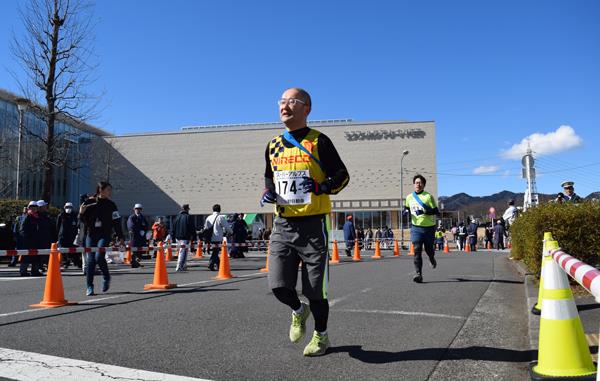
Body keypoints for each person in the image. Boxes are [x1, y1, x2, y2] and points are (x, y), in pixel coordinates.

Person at [260, 87, 350, 356]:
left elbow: (342, 175)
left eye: (291, 101)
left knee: (315, 291)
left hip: (314, 227)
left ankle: (321, 336)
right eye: (281, 101)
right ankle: (299, 311)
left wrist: (321, 187)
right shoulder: (273, 145)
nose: (284, 106)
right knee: (277, 286)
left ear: (306, 108)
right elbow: (269, 175)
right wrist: (267, 190)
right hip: (283, 225)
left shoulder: (319, 141)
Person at [79, 182, 125, 296]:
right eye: (108, 189)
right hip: (91, 234)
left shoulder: (111, 205)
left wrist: (121, 237)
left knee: (99, 256)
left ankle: (106, 277)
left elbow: (117, 222)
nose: (110, 192)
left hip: (104, 234)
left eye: (110, 189)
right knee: (91, 261)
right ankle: (89, 286)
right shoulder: (90, 202)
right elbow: (82, 220)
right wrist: (81, 213)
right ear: (101, 190)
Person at [405, 174, 439, 282]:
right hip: (416, 228)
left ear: (423, 185)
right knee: (417, 250)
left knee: (429, 250)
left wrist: (424, 211)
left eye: (420, 183)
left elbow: (436, 211)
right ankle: (418, 274)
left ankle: (432, 258)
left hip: (429, 228)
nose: (418, 185)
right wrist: (405, 211)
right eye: (416, 183)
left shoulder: (428, 197)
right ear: (414, 184)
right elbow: (407, 208)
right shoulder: (409, 197)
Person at [204, 204, 231, 271]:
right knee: (215, 251)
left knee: (215, 250)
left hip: (210, 237)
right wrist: (231, 232)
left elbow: (205, 228)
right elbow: (227, 227)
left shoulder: (208, 217)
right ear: (219, 209)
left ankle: (219, 265)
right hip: (217, 237)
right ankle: (211, 264)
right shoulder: (220, 217)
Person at [19, 201, 42, 276]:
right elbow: (22, 230)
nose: (33, 208)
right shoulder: (26, 216)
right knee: (26, 256)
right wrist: (25, 239)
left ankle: (35, 270)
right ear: (29, 208)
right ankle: (23, 271)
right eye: (31, 207)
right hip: (28, 241)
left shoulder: (37, 217)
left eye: (35, 207)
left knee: (36, 256)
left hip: (36, 240)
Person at [172, 204, 196, 272]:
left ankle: (183, 265)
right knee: (183, 252)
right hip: (185, 237)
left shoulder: (177, 217)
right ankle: (179, 266)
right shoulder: (188, 217)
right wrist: (194, 237)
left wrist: (173, 237)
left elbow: (173, 228)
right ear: (187, 209)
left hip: (177, 237)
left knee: (181, 251)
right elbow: (192, 228)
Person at [56, 202, 81, 268]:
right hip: (63, 236)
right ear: (64, 207)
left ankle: (77, 262)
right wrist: (58, 236)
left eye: (70, 207)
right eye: (67, 207)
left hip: (72, 236)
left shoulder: (75, 216)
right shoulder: (61, 215)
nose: (68, 209)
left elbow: (77, 225)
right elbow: (58, 226)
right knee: (63, 251)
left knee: (74, 250)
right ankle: (65, 262)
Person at [127, 203, 148, 268]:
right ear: (134, 209)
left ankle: (137, 262)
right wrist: (139, 231)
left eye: (139, 209)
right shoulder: (132, 217)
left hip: (141, 237)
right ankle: (134, 263)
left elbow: (146, 225)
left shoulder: (143, 217)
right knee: (134, 250)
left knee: (140, 251)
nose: (138, 210)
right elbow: (131, 226)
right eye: (136, 209)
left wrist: (144, 231)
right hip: (134, 237)